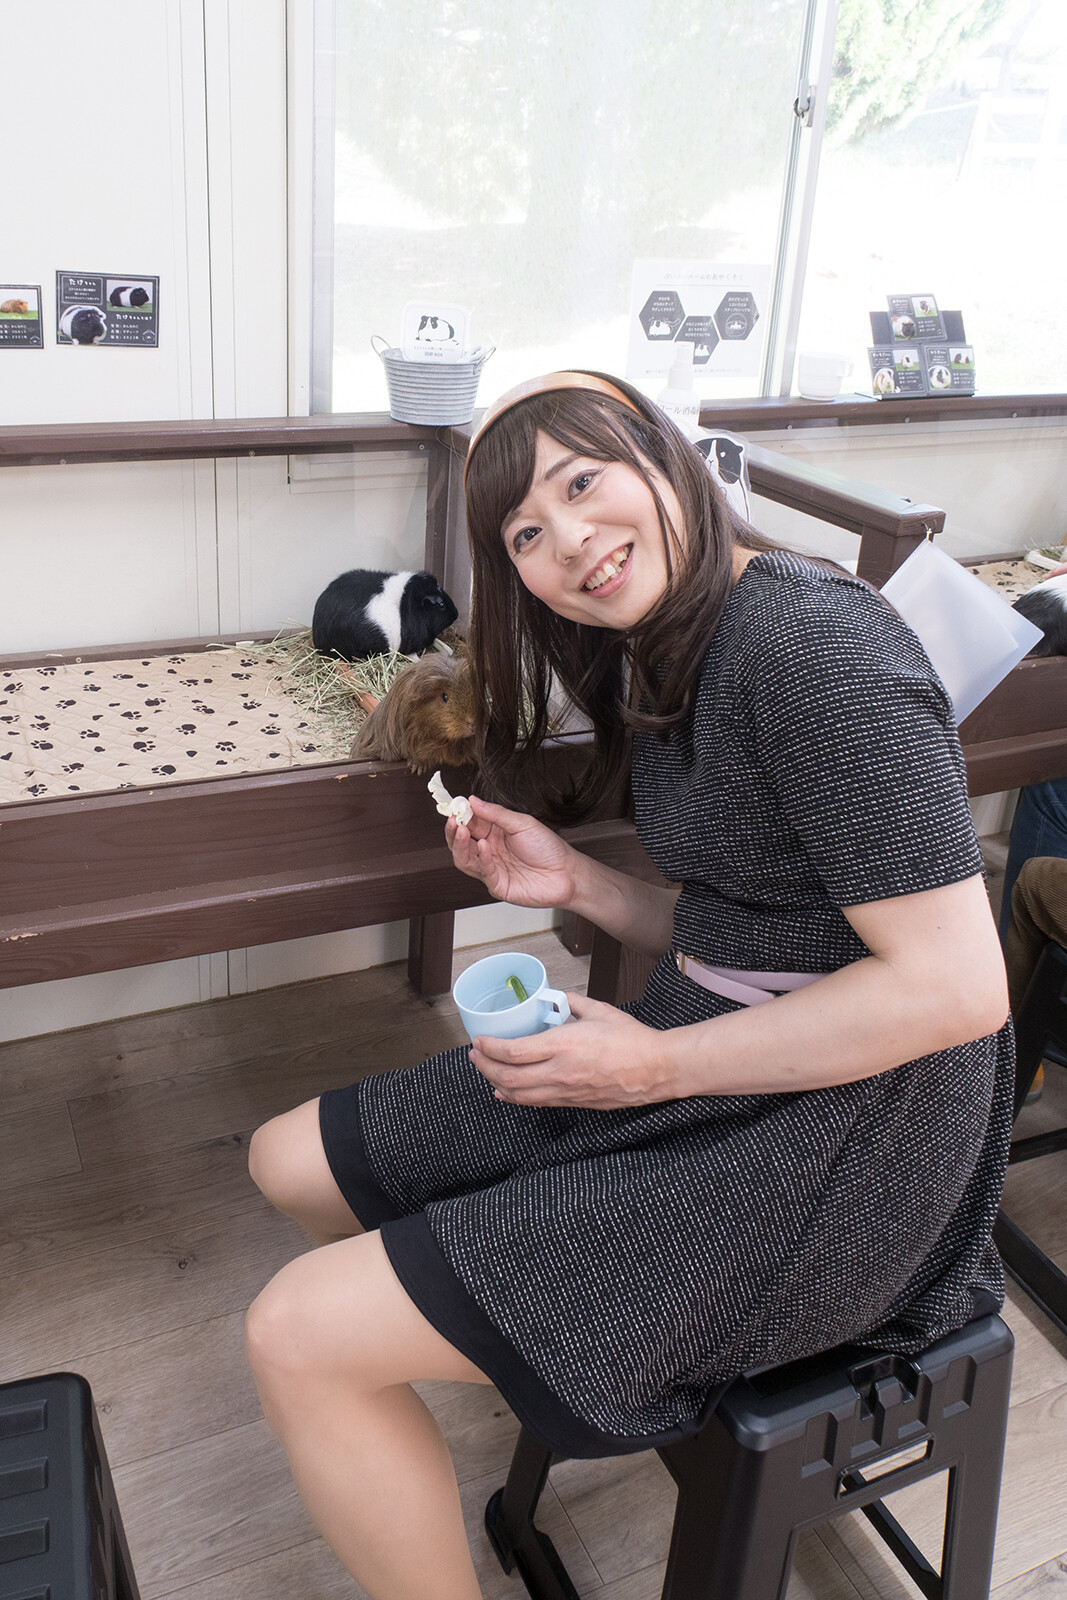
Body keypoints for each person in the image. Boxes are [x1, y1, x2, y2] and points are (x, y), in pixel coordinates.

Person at [244, 371, 1013, 1600]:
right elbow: (756, 926)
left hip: (861, 1141)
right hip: (721, 1043)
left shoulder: (811, 647)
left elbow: (957, 990)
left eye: (582, 482)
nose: (566, 543)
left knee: (297, 1332)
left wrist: (652, 1065)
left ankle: (506, 1332)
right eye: (524, 535)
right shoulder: (674, 642)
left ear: (666, 456)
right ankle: (510, 1331)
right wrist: (586, 888)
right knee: (288, 1159)